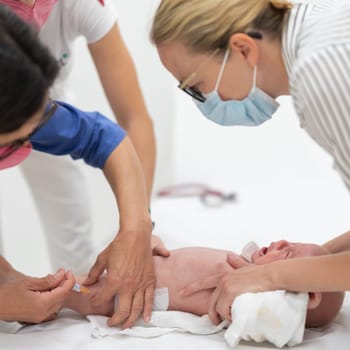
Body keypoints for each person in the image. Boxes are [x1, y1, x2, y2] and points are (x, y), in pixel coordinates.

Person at [149, 0, 350, 324]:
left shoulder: (320, 72)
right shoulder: (320, 28)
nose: (203, 102)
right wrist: (298, 267)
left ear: (242, 49)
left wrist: (271, 278)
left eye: (196, 88)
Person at [0, 5, 161, 328]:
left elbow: (109, 140)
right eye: (13, 143)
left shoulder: (27, 107)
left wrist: (137, 228)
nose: (27, 146)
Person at [63, 237, 344, 328]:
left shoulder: (254, 300)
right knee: (73, 281)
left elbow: (263, 320)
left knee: (74, 290)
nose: (279, 241)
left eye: (288, 252)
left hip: (129, 295)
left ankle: (59, 294)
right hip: (143, 260)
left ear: (306, 298)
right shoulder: (246, 269)